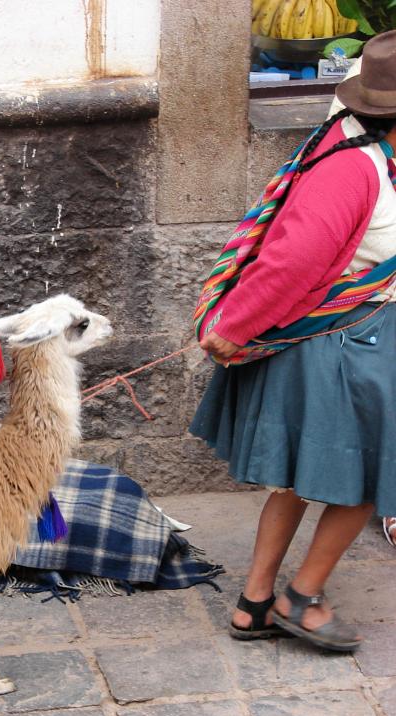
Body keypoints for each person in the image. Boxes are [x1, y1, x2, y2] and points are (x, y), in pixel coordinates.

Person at [190, 31, 396, 652]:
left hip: (347, 344)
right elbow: (289, 264)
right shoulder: (352, 172)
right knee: (363, 484)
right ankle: (297, 598)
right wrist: (231, 329)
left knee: (298, 482)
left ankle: (253, 603)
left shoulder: (358, 139)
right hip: (344, 350)